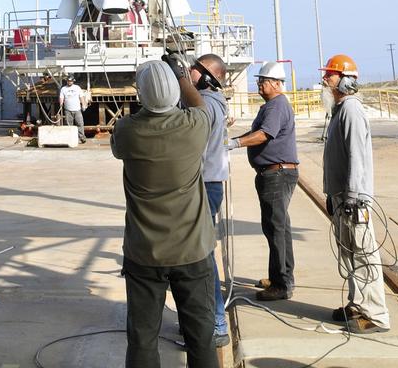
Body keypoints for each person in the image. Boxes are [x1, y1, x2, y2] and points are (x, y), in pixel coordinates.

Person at [111, 56, 219, 368]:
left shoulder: (127, 132)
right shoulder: (194, 126)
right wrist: (182, 75)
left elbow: (120, 141)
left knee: (143, 338)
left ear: (140, 95)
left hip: (144, 253)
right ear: (175, 89)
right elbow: (201, 105)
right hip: (192, 251)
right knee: (201, 335)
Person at [322, 53, 390, 333]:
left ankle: (375, 315)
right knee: (349, 253)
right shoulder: (338, 110)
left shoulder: (351, 110)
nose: (325, 79)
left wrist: (352, 197)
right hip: (342, 198)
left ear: (345, 80)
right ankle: (358, 303)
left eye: (330, 75)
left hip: (354, 200)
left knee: (363, 254)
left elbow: (357, 157)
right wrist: (332, 195)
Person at [228, 60, 298, 301]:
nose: (259, 84)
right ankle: (280, 276)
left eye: (263, 81)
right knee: (277, 227)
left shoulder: (276, 106)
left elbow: (264, 134)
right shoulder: (271, 105)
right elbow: (255, 134)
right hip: (273, 173)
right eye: (259, 80)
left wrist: (236, 143)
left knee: (276, 228)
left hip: (277, 174)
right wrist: (234, 139)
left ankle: (281, 284)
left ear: (277, 84)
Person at [190, 53, 230, 348]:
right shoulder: (205, 100)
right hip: (204, 184)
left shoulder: (207, 103)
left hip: (205, 185)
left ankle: (217, 323)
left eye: (193, 70)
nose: (189, 72)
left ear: (206, 77)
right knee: (194, 255)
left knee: (203, 256)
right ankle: (200, 319)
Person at [58, 75, 88, 143]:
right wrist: (61, 103)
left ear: (73, 81)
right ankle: (71, 138)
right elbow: (61, 97)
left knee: (80, 124)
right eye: (68, 81)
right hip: (67, 110)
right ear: (67, 81)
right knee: (69, 125)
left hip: (77, 109)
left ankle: (82, 138)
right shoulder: (63, 89)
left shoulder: (77, 88)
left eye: (71, 81)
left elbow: (81, 96)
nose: (69, 82)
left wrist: (83, 105)